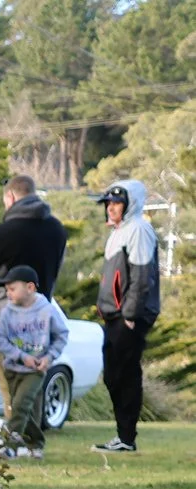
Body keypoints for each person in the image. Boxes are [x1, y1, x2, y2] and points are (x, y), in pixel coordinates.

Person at [0, 174, 69, 430]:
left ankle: (15, 435)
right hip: (41, 314)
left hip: (5, 314)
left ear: (10, 197)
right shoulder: (57, 230)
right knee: (33, 380)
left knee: (10, 378)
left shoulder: (4, 233)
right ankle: (33, 436)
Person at [91, 179, 161, 455]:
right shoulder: (119, 232)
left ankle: (126, 438)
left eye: (117, 203)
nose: (111, 208)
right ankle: (123, 435)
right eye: (109, 203)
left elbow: (142, 277)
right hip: (114, 315)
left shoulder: (138, 229)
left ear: (130, 204)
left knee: (125, 374)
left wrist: (130, 314)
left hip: (129, 316)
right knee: (113, 375)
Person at [0, 266, 68, 459]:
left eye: (12, 289)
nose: (8, 294)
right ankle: (36, 443)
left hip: (36, 370)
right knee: (25, 409)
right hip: (13, 368)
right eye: (6, 290)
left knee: (21, 405)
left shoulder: (47, 310)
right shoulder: (7, 312)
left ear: (30, 288)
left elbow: (61, 335)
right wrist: (21, 356)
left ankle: (8, 446)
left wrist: (49, 357)